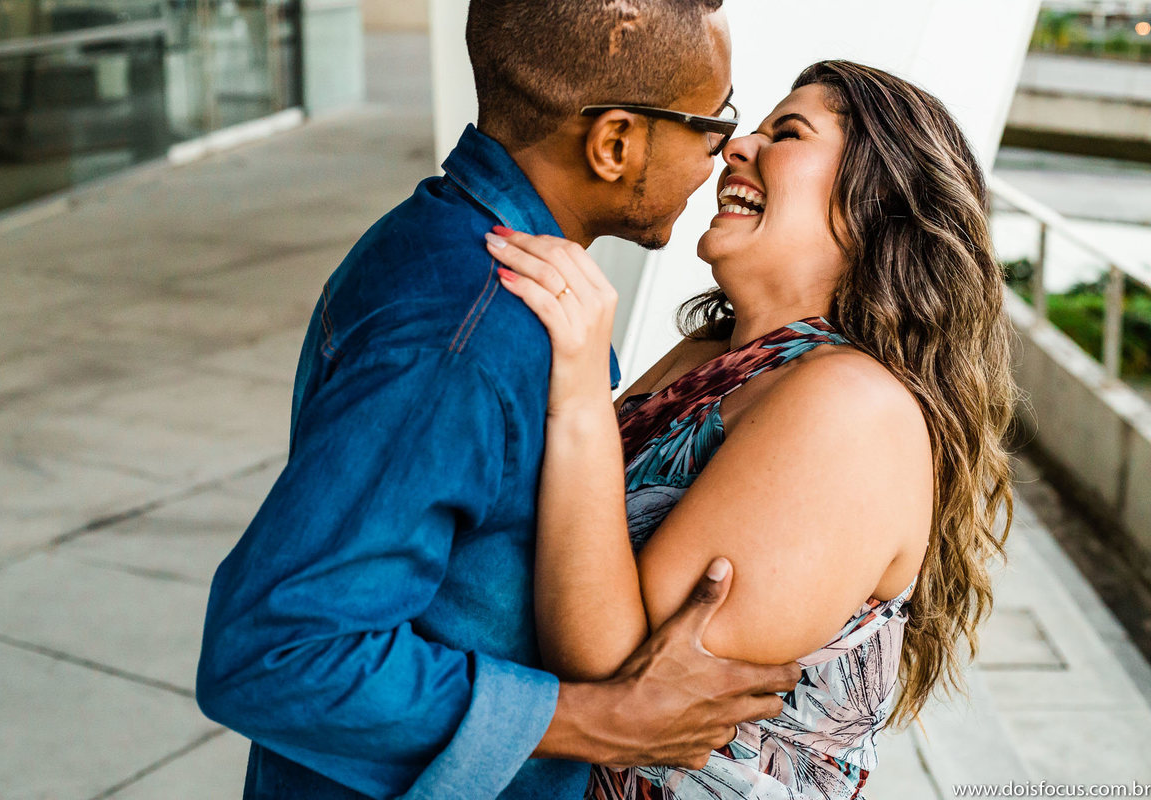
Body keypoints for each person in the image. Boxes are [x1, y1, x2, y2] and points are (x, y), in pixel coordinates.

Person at [195, 1, 801, 798]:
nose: (725, 153)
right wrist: (599, 719)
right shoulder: (467, 337)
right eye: (710, 122)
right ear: (614, 142)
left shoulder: (447, 243)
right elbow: (272, 651)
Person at [486, 60, 1016, 798]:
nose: (736, 146)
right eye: (752, 129)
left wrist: (577, 395)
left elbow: (616, 682)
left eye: (787, 133)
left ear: (879, 202)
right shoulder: (712, 355)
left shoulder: (852, 406)